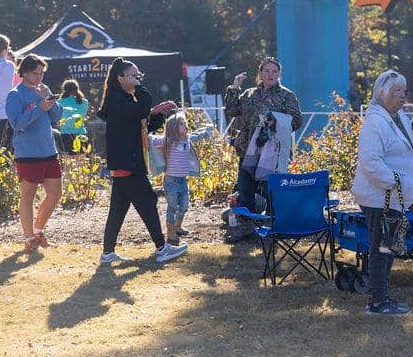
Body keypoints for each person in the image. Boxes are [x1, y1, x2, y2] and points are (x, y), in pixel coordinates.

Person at [97, 58, 186, 264]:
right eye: (134, 76)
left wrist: (157, 114)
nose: (138, 79)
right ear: (120, 78)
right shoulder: (117, 98)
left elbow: (141, 124)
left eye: (139, 76)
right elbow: (140, 110)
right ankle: (162, 248)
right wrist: (141, 91)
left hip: (127, 162)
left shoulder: (125, 98)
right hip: (128, 162)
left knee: (118, 209)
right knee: (148, 201)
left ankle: (108, 253)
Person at [350, 70, 413, 316]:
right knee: (381, 249)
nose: (401, 95)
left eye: (403, 90)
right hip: (380, 197)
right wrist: (397, 181)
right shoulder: (375, 122)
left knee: (388, 248)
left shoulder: (398, 117)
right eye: (395, 91)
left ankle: (382, 297)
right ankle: (377, 302)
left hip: (393, 197)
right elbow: (371, 163)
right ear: (381, 94)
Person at [223, 57, 303, 243]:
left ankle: (275, 227)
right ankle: (246, 227)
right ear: (260, 73)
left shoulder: (286, 95)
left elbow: (296, 120)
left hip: (272, 152)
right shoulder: (250, 94)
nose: (270, 74)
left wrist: (274, 122)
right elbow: (231, 110)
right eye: (267, 71)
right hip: (247, 150)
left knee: (272, 192)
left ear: (279, 74)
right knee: (245, 191)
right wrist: (235, 87)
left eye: (274, 71)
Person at [5, 54, 64, 253]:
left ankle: (38, 231)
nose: (39, 77)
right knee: (27, 197)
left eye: (41, 73)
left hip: (49, 151)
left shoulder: (42, 90)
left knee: (55, 194)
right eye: (35, 73)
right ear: (24, 73)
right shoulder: (15, 95)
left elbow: (57, 116)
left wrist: (50, 99)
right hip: (28, 154)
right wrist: (39, 108)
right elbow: (17, 124)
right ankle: (29, 238)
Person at [150, 111, 213, 245]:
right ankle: (171, 233)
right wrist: (146, 134)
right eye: (182, 124)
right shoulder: (169, 141)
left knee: (184, 206)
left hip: (182, 180)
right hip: (171, 181)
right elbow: (153, 141)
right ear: (174, 127)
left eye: (185, 123)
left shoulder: (187, 139)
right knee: (172, 207)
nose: (186, 126)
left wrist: (207, 132)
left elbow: (197, 136)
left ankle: (178, 227)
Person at [58, 79, 90, 153]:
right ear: (77, 88)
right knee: (82, 158)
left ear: (64, 89)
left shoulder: (59, 102)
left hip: (65, 134)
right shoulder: (85, 102)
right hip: (81, 133)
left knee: (68, 158)